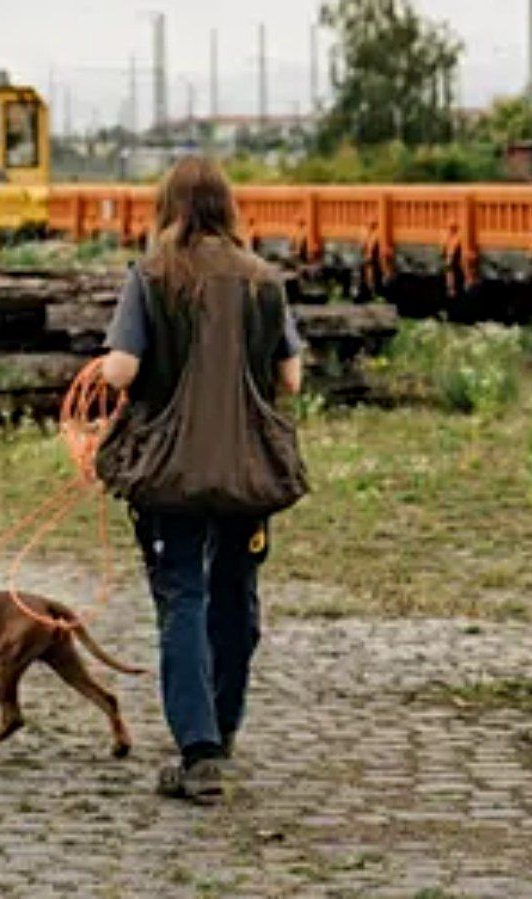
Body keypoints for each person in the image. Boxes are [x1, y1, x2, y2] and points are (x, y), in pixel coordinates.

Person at [100, 155, 303, 803]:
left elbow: (122, 371)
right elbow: (291, 377)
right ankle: (225, 722)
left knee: (182, 595)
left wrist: (107, 372)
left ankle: (199, 748)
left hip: (171, 471)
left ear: (171, 207)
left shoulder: (152, 275)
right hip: (247, 469)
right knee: (234, 593)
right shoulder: (263, 279)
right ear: (226, 206)